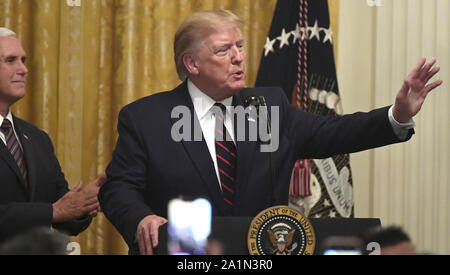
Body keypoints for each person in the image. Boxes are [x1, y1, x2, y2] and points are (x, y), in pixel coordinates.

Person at [98, 10, 443, 255]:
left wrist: (397, 115)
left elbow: (334, 131)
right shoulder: (146, 117)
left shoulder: (270, 106)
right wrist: (141, 217)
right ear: (191, 64)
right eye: (223, 50)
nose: (238, 58)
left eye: (240, 46)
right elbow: (118, 188)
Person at [0, 28, 106, 244]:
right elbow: (54, 210)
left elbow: (62, 210)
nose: (24, 69)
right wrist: (53, 211)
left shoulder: (37, 139)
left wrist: (83, 204)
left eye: (24, 60)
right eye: (11, 60)